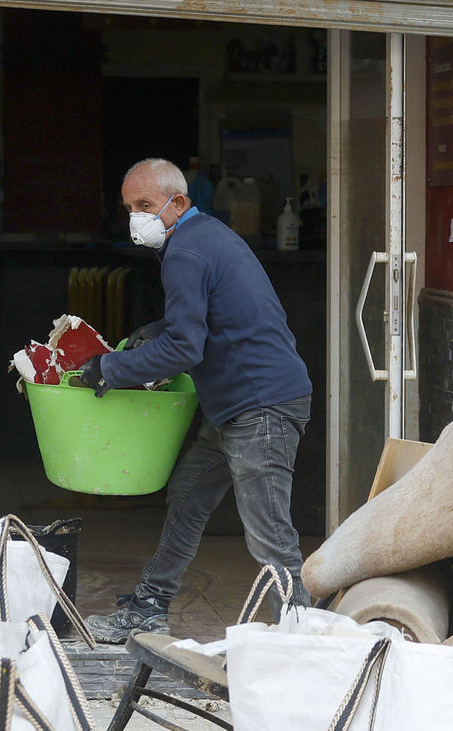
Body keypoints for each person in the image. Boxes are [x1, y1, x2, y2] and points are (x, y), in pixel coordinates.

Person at [80, 158, 312, 643]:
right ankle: (149, 606)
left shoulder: (186, 251)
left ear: (178, 202)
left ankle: (304, 642)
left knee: (271, 537)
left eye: (144, 205)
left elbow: (187, 348)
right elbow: (214, 317)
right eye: (128, 207)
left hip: (260, 408)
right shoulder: (205, 235)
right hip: (239, 405)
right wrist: (155, 330)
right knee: (187, 496)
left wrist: (108, 370)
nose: (135, 217)